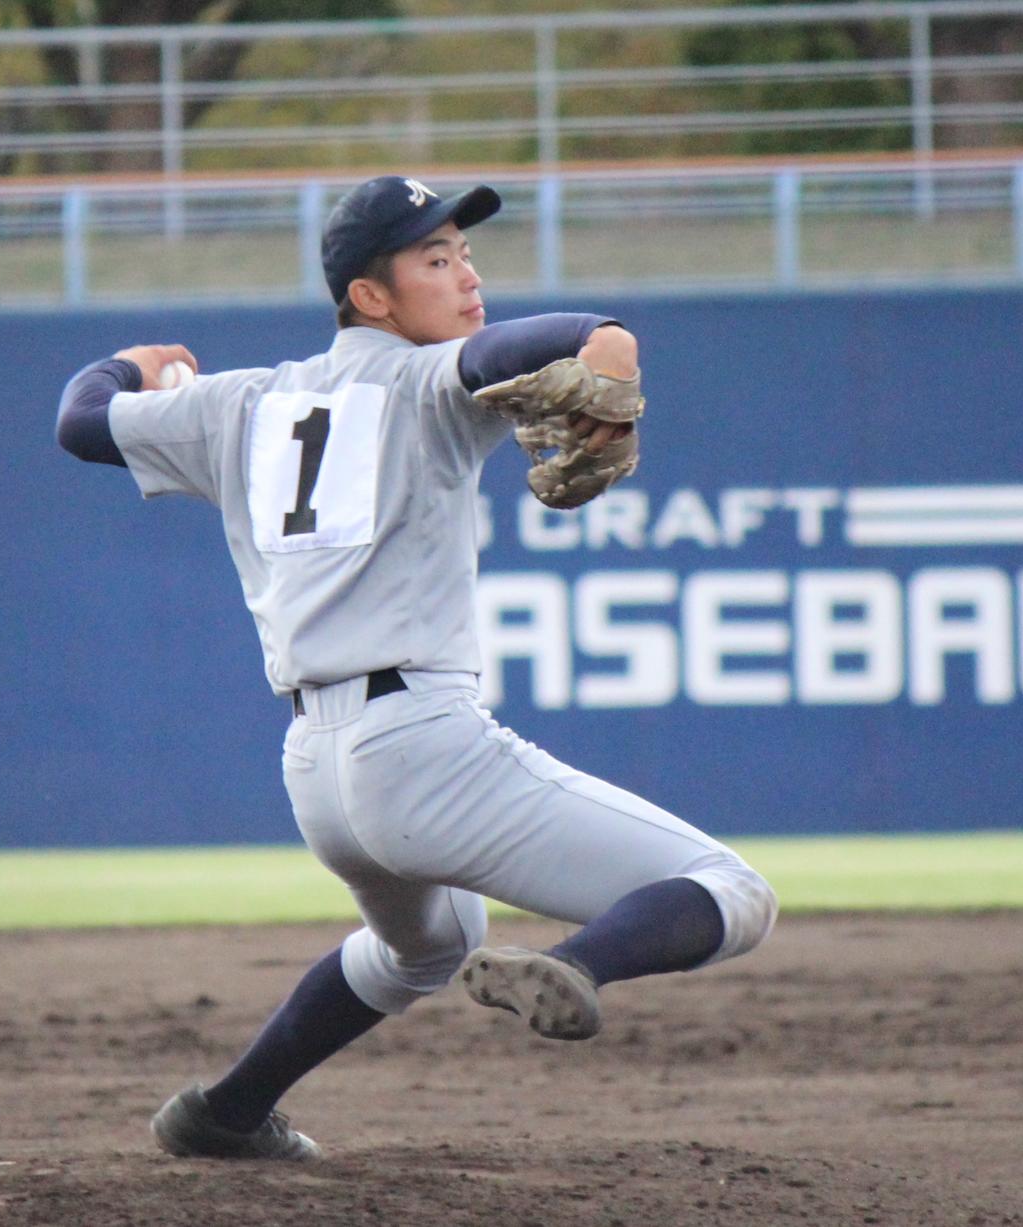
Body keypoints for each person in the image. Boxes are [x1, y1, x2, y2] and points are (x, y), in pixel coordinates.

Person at [56, 174, 777, 1162]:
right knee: (730, 889)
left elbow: (82, 422)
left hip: (319, 773)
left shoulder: (241, 406)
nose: (467, 276)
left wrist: (124, 362)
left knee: (424, 950)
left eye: (466, 253)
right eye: (435, 260)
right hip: (423, 748)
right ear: (370, 296)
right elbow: (529, 348)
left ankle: (223, 1114)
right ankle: (569, 967)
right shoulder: (429, 380)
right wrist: (605, 336)